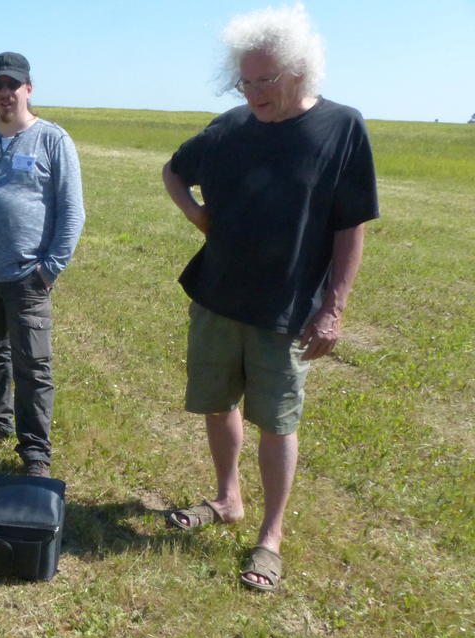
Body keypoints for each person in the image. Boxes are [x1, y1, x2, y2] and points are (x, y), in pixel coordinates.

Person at [160, 5, 379, 591]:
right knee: (216, 402)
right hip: (216, 296)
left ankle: (270, 536)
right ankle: (227, 499)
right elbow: (174, 170)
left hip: (285, 308)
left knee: (277, 422)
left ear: (301, 72)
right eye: (246, 81)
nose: (254, 92)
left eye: (267, 80)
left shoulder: (341, 128)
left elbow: (350, 224)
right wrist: (200, 217)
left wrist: (333, 307)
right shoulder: (229, 128)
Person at [0, 51, 86, 478]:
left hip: (27, 277)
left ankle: (35, 454)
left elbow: (72, 212)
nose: (5, 93)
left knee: (33, 366)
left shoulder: (53, 141)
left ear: (29, 88)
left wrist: (50, 269)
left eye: (13, 85)